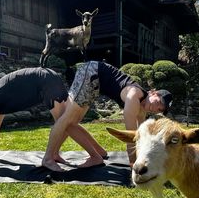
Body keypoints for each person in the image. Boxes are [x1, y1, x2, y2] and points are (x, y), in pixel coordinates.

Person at [0, 67, 107, 171]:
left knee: (66, 125)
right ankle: (98, 151)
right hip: (50, 77)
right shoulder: (0, 97)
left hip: (44, 82)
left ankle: (95, 157)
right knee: (67, 122)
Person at [42, 60, 173, 171]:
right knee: (66, 119)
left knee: (72, 122)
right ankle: (48, 158)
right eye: (158, 102)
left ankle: (94, 154)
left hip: (97, 83)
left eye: (160, 109)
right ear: (153, 93)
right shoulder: (134, 97)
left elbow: (140, 139)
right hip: (91, 72)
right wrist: (135, 167)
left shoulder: (142, 110)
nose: (156, 109)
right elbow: (130, 138)